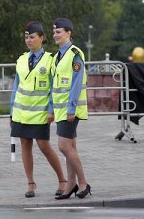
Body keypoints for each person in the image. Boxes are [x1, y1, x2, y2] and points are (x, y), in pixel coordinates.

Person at [10, 21, 67, 198]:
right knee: (25, 144)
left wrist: (52, 110)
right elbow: (16, 87)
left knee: (44, 145)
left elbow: (53, 88)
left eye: (32, 37)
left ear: (42, 38)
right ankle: (30, 183)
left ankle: (62, 180)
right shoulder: (21, 60)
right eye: (26, 37)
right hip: (21, 112)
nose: (29, 40)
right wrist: (11, 111)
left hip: (41, 112)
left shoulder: (50, 60)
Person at [48, 18, 91, 199]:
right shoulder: (56, 56)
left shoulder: (75, 54)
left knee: (64, 146)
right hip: (60, 110)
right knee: (70, 147)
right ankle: (71, 184)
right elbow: (53, 85)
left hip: (70, 110)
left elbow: (76, 83)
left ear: (68, 33)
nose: (55, 35)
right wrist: (51, 109)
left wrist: (71, 108)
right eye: (54, 32)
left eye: (59, 32)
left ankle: (83, 183)